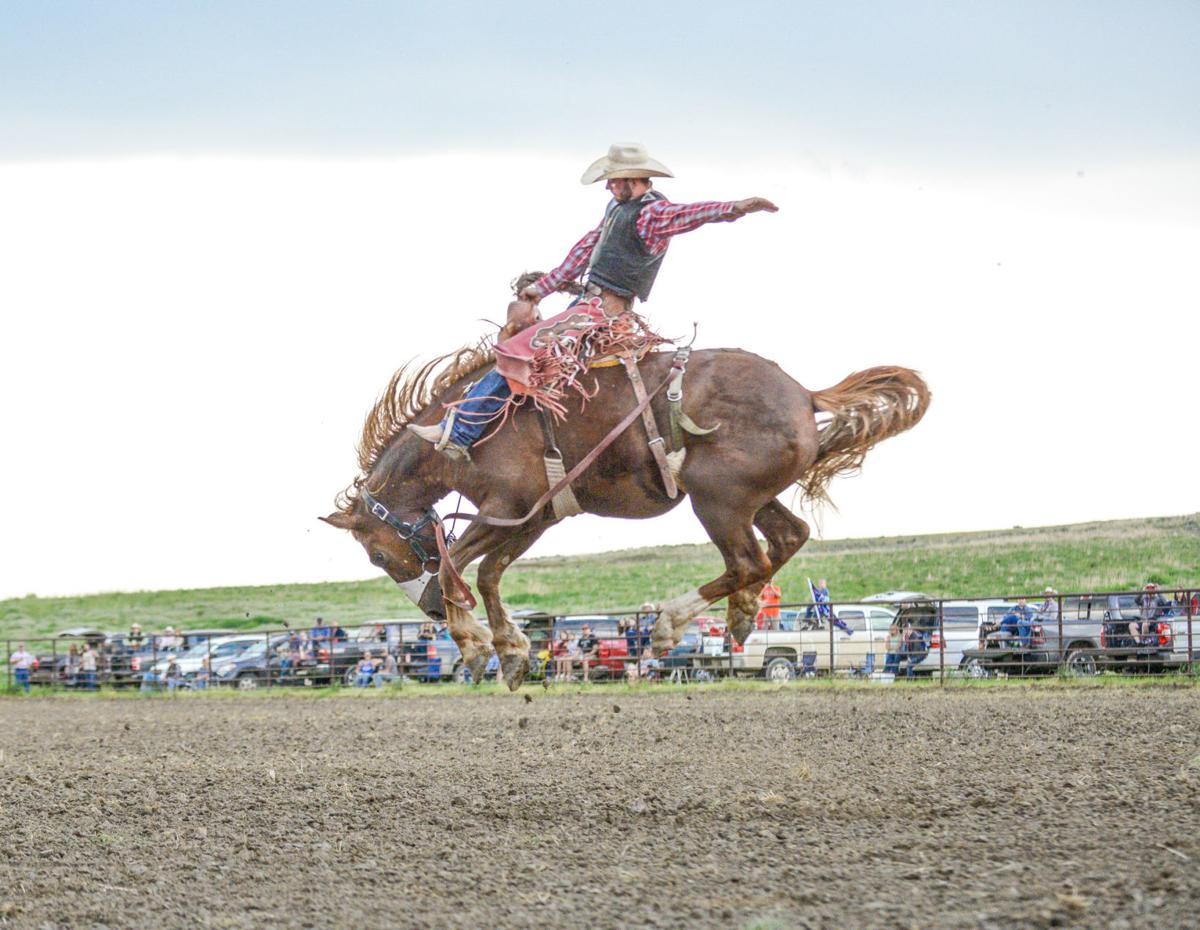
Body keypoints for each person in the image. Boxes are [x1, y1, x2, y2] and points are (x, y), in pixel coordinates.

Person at [408, 142, 779, 460]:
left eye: (614, 181)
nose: (608, 188)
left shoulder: (651, 213)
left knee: (520, 349)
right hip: (587, 307)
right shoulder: (617, 210)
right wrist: (543, 289)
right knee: (528, 350)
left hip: (601, 312)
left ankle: (459, 435)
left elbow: (688, 215)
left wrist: (736, 207)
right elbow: (585, 249)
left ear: (634, 179)